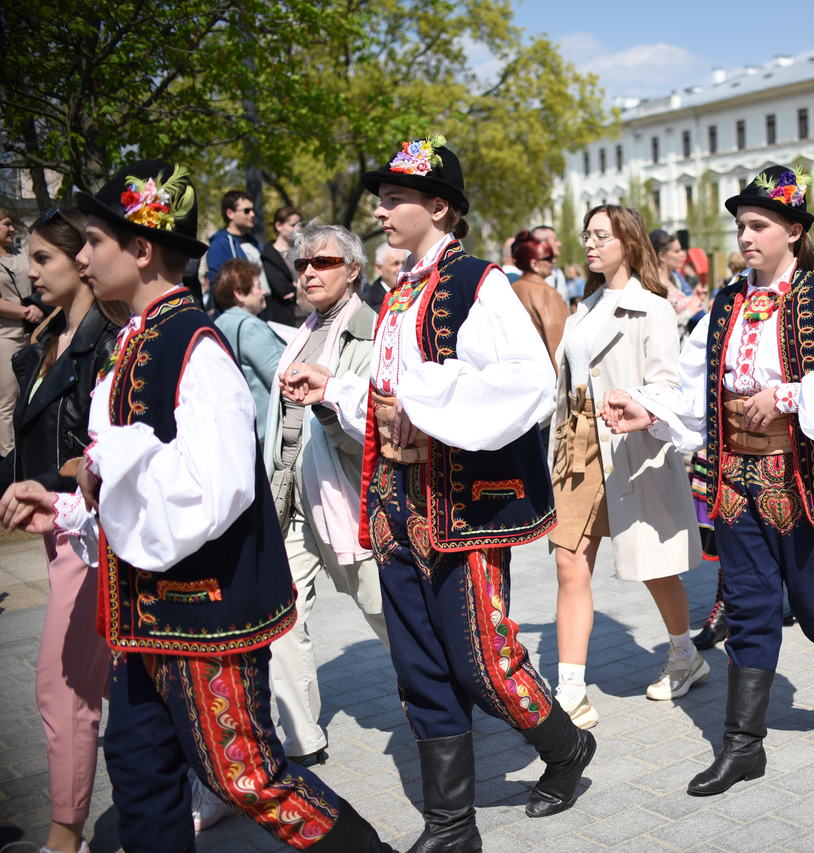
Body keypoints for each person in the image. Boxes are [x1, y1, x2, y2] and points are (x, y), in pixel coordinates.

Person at [1, 160, 392, 852]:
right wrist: (67, 505)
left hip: (204, 612)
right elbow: (127, 489)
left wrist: (105, 463)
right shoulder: (138, 340)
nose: (82, 257)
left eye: (94, 241)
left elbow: (214, 491)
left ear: (141, 249)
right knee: (140, 771)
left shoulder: (195, 347)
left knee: (247, 776)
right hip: (145, 615)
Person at [283, 136, 594, 848]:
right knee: (418, 663)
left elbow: (526, 383)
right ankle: (452, 824)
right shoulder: (398, 292)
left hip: (461, 504)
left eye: (395, 198)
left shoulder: (478, 283)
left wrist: (423, 400)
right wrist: (335, 387)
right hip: (397, 501)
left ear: (440, 207)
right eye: (382, 198)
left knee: (482, 659)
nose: (381, 210)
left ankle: (567, 745)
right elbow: (389, 394)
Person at [603, 164, 814, 795]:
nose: (746, 237)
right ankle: (742, 746)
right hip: (735, 479)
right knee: (750, 608)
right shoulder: (727, 301)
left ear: (793, 231)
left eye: (759, 225)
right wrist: (649, 410)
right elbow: (695, 386)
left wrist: (788, 395)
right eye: (742, 226)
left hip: (801, 479)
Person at [549, 204, 705, 730]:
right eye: (586, 235)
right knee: (569, 562)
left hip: (630, 444)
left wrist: (634, 400)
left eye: (601, 235)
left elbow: (668, 385)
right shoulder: (584, 307)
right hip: (575, 447)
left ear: (628, 242)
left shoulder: (653, 308)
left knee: (653, 565)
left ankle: (684, 654)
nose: (590, 244)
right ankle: (570, 689)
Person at [0, 206, 125, 853]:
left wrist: (50, 487)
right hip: (62, 530)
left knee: (62, 684)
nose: (30, 270)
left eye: (42, 257)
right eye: (28, 256)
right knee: (103, 683)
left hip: (92, 533)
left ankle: (63, 837)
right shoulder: (49, 339)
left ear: (82, 258)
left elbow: (98, 452)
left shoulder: (108, 342)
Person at [265, 223, 388, 773]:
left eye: (324, 262)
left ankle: (442, 697)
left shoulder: (369, 331)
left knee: (385, 612)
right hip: (291, 495)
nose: (310, 272)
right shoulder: (303, 330)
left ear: (354, 270)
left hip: (346, 497)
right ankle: (300, 738)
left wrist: (325, 404)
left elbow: (371, 430)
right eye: (302, 264)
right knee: (282, 617)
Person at [212, 258, 285, 444]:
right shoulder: (251, 327)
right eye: (258, 287)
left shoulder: (217, 324)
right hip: (263, 432)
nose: (264, 292)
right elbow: (279, 378)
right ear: (239, 294)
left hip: (235, 429)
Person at [1, 207, 38, 457]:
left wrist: (39, 307)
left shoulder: (19, 253)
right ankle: (8, 458)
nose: (12, 229)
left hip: (33, 332)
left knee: (30, 395)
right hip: (6, 336)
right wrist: (25, 312)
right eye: (6, 224)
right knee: (8, 400)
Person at [510, 230, 570, 365]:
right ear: (534, 264)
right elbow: (557, 343)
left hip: (518, 367)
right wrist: (561, 374)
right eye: (548, 258)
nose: (552, 261)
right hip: (544, 369)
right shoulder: (547, 293)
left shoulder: (512, 288)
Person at [204, 189, 265, 311]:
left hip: (261, 309)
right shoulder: (220, 244)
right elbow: (219, 286)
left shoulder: (254, 242)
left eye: (253, 210)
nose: (252, 214)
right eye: (246, 211)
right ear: (230, 213)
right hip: (238, 313)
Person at [259, 205, 302, 326]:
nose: (298, 229)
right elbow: (283, 290)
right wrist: (303, 287)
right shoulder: (269, 255)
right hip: (286, 318)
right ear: (278, 226)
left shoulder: (304, 250)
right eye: (293, 225)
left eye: (299, 225)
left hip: (310, 313)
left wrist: (297, 288)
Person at [531, 224, 570, 303]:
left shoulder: (557, 272)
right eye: (555, 240)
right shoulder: (530, 273)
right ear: (542, 244)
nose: (559, 244)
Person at [365, 242, 409, 310]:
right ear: (379, 268)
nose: (402, 268)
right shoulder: (367, 304)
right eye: (395, 263)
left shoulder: (416, 291)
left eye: (404, 263)